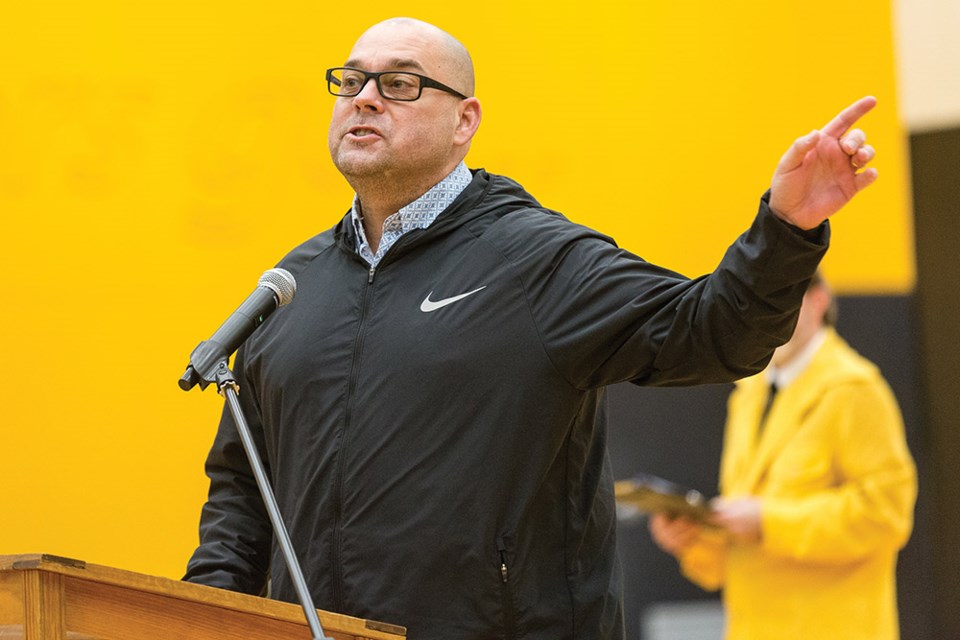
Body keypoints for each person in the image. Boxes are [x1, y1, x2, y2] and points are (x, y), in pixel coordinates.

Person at [183, 16, 881, 640]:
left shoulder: (536, 260)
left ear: (465, 120)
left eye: (399, 84)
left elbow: (714, 331)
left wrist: (787, 228)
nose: (364, 98)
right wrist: (207, 616)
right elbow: (244, 488)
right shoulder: (292, 288)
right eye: (352, 82)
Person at [649, 272, 917, 640]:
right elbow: (737, 554)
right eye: (755, 304)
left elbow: (886, 515)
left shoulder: (855, 389)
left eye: (780, 299)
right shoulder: (749, 394)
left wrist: (768, 521)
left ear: (819, 299)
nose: (766, 317)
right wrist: (693, 539)